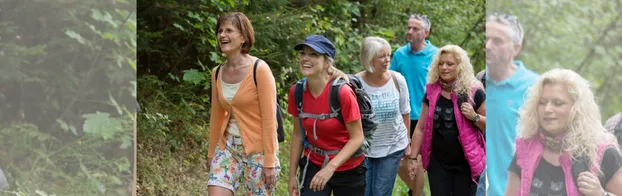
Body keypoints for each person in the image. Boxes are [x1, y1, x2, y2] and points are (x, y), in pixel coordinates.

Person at [505, 68, 622, 196]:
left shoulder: (603, 153)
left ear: (577, 109)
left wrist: (602, 194)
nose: (547, 109)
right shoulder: (526, 149)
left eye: (558, 103)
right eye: (542, 102)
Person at [206, 12, 280, 196]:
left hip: (258, 151)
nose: (222, 35)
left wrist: (269, 160)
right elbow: (216, 116)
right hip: (227, 148)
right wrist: (211, 153)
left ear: (243, 38)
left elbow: (269, 119)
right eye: (220, 30)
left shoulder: (259, 69)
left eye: (229, 30)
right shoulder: (217, 72)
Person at [287, 35, 366, 196]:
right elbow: (297, 135)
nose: (305, 58)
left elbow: (357, 138)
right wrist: (292, 176)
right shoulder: (297, 92)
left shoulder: (342, 92)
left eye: (313, 54)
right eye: (303, 53)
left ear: (327, 62)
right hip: (315, 163)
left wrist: (331, 167)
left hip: (349, 168)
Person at [407, 45, 486, 196]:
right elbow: (420, 128)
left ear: (460, 66)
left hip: (466, 162)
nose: (444, 68)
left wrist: (474, 116)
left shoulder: (474, 91)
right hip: (438, 163)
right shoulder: (431, 90)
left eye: (450, 64)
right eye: (441, 63)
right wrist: (412, 158)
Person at [483, 13, 539, 196]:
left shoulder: (536, 89)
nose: (488, 46)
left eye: (497, 41)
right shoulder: (475, 82)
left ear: (516, 48)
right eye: (486, 39)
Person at [390, 13, 439, 196]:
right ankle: (417, 191)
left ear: (426, 32)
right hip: (402, 116)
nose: (409, 31)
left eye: (415, 29)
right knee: (398, 161)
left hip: (425, 117)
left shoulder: (436, 55)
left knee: (417, 161)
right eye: (409, 27)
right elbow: (390, 82)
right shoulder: (399, 54)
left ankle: (417, 193)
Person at [356, 36, 410, 196]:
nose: (387, 60)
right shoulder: (355, 83)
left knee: (381, 192)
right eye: (382, 56)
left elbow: (405, 112)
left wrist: (407, 142)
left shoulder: (397, 80)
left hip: (392, 146)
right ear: (369, 59)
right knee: (364, 192)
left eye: (388, 55)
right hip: (363, 149)